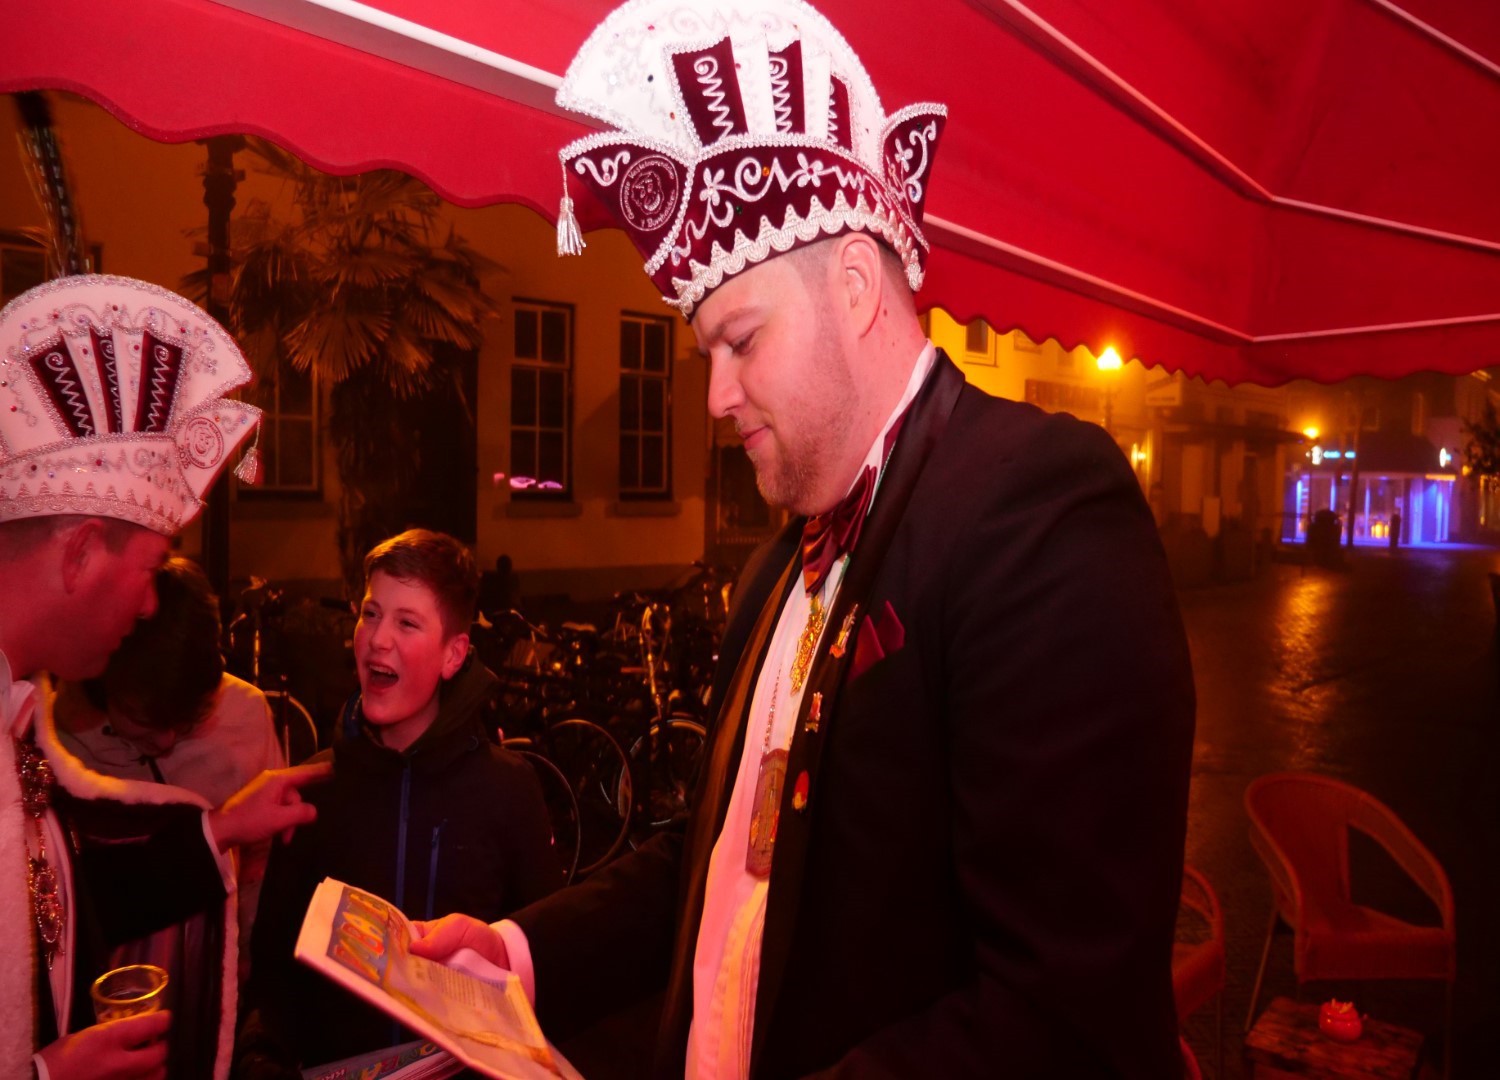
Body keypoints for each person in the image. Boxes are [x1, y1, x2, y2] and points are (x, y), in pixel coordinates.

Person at [412, 2, 1197, 1077]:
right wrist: (520, 953)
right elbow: (720, 860)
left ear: (856, 288)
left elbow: (1063, 1012)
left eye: (740, 341)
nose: (716, 395)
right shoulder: (774, 569)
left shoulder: (1037, 509)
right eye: (708, 355)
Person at [0, 274, 331, 1080]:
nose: (152, 605)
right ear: (81, 552)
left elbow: (60, 898)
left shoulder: (19, 712)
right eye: (151, 568)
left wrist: (221, 831)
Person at [236, 529, 563, 1075]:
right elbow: (273, 974)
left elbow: (547, 957)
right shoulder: (315, 787)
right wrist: (260, 1055)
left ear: (453, 654)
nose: (377, 639)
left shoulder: (509, 790)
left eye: (407, 623)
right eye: (370, 614)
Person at [53, 557, 286, 1001]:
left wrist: (253, 953)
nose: (164, 741)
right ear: (103, 683)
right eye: (143, 721)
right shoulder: (58, 741)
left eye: (186, 722)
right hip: (106, 989)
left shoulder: (246, 714)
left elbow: (263, 861)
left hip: (220, 982)